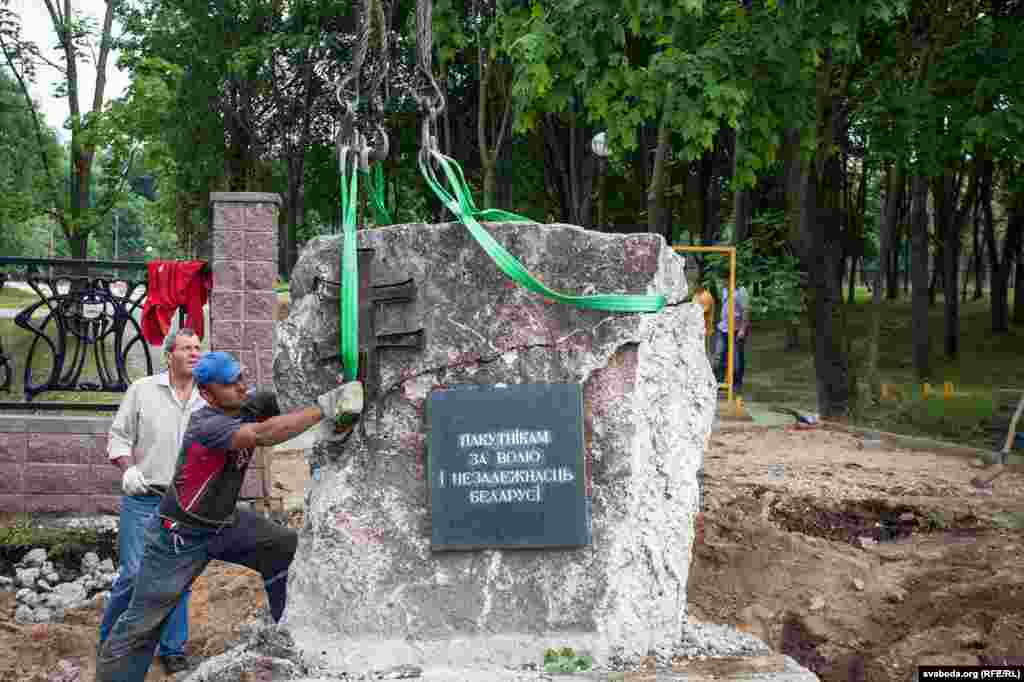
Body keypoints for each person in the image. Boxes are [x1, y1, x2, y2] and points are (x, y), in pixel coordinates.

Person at [96, 351, 363, 681]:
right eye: (230, 383)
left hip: (223, 522)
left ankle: (287, 632)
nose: (241, 386)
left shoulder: (245, 404)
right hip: (178, 537)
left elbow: (284, 404)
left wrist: (333, 386)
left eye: (240, 377)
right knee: (143, 622)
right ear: (208, 393)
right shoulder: (207, 424)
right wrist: (325, 407)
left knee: (282, 547)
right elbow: (265, 435)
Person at [99, 328, 205, 675]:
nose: (194, 353)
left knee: (178, 578)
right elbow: (118, 437)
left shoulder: (207, 398)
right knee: (133, 574)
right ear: (169, 355)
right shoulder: (143, 391)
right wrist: (127, 469)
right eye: (186, 348)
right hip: (144, 497)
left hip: (184, 504)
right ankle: (110, 641)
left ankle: (173, 649)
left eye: (197, 348)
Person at [715, 284, 751, 394]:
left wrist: (743, 329)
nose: (723, 281)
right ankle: (719, 382)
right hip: (724, 329)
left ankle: (737, 384)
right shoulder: (724, 289)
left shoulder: (741, 291)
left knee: (737, 359)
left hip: (736, 330)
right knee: (719, 355)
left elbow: (745, 310)